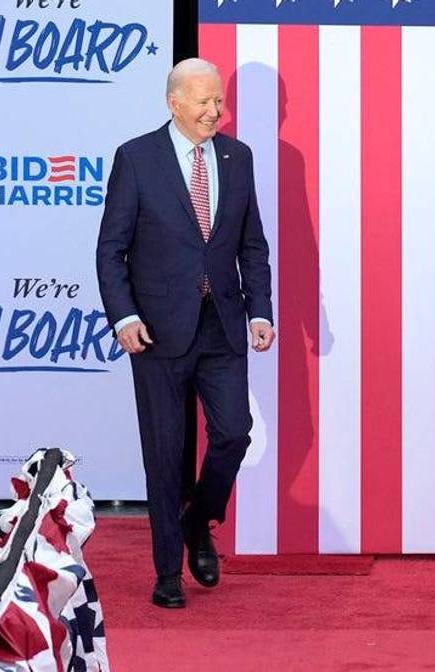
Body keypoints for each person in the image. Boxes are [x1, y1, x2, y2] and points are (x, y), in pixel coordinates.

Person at [96, 58, 275, 609]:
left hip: (221, 325)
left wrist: (260, 312)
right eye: (204, 102)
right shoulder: (136, 158)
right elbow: (110, 250)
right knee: (166, 452)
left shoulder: (237, 157)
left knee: (234, 433)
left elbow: (252, 244)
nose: (215, 112)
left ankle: (199, 520)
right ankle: (167, 573)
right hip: (155, 333)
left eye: (219, 101)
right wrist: (125, 317)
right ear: (174, 103)